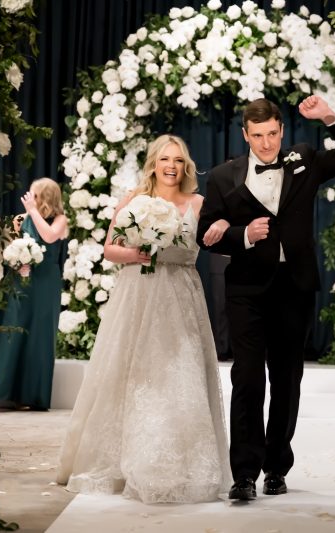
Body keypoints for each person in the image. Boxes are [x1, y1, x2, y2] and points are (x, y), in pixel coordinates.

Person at [196, 96, 335, 500]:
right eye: (258, 136)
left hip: (294, 287)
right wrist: (242, 235)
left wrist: (330, 116)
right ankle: (243, 474)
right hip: (245, 290)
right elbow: (206, 233)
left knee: (287, 379)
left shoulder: (304, 160)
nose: (267, 143)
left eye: (273, 134)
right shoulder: (223, 176)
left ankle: (276, 468)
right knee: (248, 377)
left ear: (282, 130)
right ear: (245, 135)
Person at [56, 134, 232, 503]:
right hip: (138, 293)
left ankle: (182, 463)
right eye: (165, 159)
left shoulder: (199, 203)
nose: (172, 166)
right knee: (133, 372)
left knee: (181, 375)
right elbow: (109, 249)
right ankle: (122, 460)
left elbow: (220, 236)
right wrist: (135, 254)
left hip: (182, 294)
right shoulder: (134, 201)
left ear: (185, 166)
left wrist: (224, 228)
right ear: (153, 163)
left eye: (179, 160)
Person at [0, 178, 68, 411]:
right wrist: (18, 262)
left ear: (45, 197)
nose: (28, 198)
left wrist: (33, 212)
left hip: (46, 284)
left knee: (39, 333)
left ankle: (32, 395)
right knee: (14, 327)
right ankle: (1, 390)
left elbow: (49, 236)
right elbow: (9, 249)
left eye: (33, 195)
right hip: (22, 281)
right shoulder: (20, 220)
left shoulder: (60, 220)